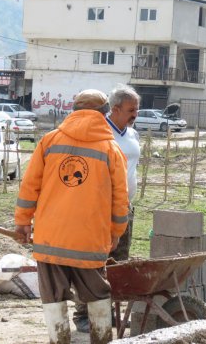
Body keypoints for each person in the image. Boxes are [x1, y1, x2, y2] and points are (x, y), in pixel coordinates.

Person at [14, 89, 129, 344]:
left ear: (73, 110)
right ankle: (101, 339)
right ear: (105, 113)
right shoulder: (111, 149)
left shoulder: (50, 141)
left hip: (50, 240)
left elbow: (29, 186)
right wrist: (116, 232)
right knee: (98, 295)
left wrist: (23, 221)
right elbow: (121, 199)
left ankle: (59, 341)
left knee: (53, 298)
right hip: (89, 242)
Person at [73, 84, 141, 333]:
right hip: (99, 209)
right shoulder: (102, 134)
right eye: (131, 110)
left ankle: (111, 313)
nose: (136, 114)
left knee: (117, 263)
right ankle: (82, 315)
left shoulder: (132, 135)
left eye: (137, 109)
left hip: (124, 208)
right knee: (92, 262)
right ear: (115, 109)